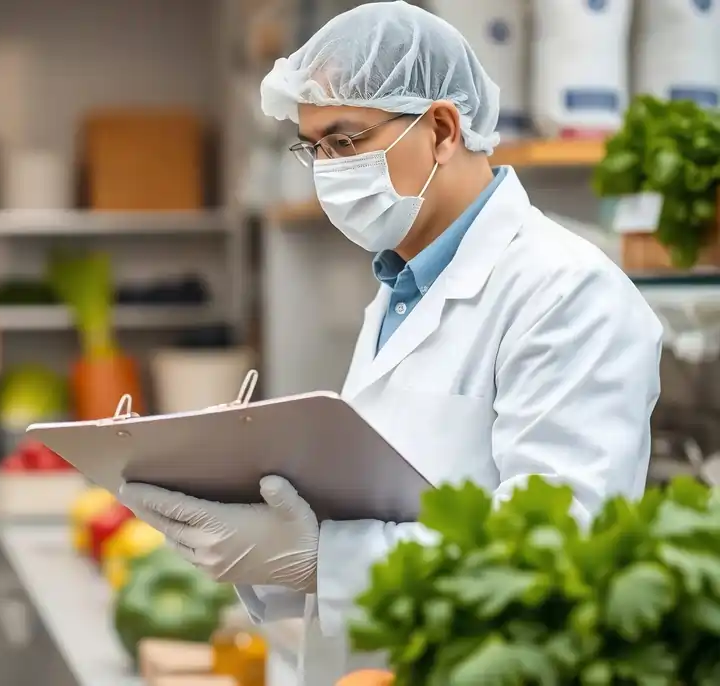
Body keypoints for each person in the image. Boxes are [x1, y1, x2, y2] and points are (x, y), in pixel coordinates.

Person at [118, 1, 663, 680]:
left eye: (345, 142)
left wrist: (324, 557)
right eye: (313, 148)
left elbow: (551, 555)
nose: (328, 172)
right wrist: (254, 526)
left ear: (441, 128)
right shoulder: (401, 288)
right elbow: (383, 502)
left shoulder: (568, 292)